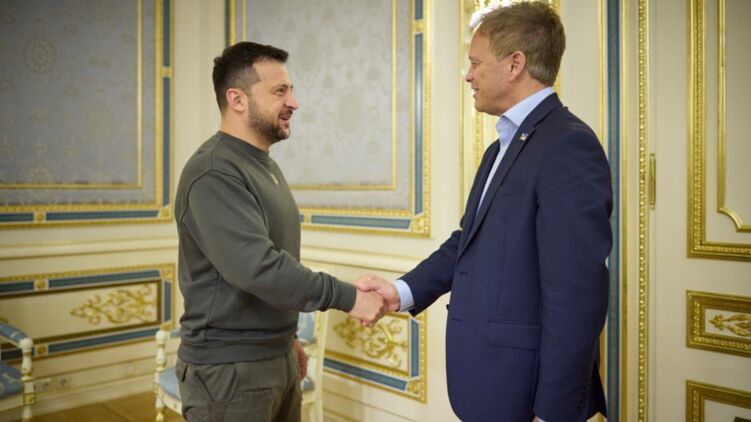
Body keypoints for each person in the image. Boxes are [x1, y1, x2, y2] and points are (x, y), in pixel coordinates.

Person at [357, 2, 612, 421]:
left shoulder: (568, 145)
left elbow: (577, 297)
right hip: (491, 384)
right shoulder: (500, 148)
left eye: (475, 63)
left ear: (515, 64)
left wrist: (553, 413)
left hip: (527, 394)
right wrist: (400, 292)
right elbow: (468, 242)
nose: (468, 75)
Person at [174, 41, 387, 422]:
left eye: (291, 89)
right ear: (237, 100)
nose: (294, 102)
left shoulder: (262, 165)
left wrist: (286, 339)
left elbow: (272, 261)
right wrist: (349, 297)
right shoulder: (214, 171)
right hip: (229, 372)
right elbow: (258, 267)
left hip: (273, 357)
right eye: (279, 91)